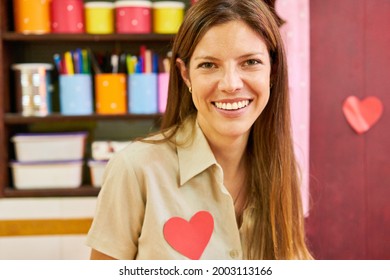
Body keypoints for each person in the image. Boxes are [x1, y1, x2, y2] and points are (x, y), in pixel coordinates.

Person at [86, 0, 313, 260]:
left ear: (272, 70)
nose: (230, 84)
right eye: (208, 65)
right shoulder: (135, 170)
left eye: (250, 62)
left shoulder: (284, 166)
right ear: (185, 75)